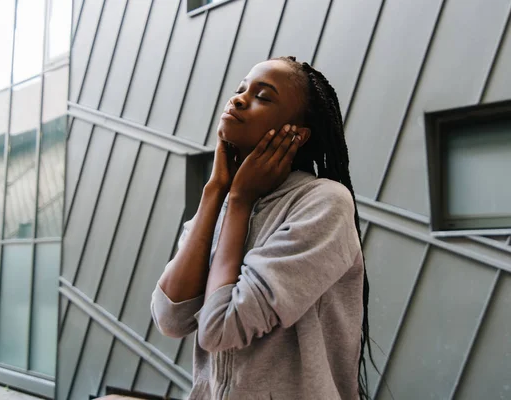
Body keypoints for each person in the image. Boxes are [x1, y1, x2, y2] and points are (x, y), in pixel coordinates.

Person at [151, 56, 373, 400]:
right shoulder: (222, 202)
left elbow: (218, 329)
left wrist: (239, 200)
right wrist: (215, 191)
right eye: (240, 89)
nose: (238, 99)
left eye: (263, 96)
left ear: (296, 134)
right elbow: (170, 318)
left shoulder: (325, 204)